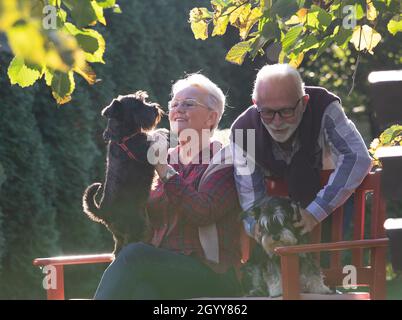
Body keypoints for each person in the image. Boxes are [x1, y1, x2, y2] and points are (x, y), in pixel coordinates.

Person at [94, 74, 242, 299]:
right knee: (140, 293)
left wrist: (162, 168)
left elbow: (203, 212)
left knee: (134, 255)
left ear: (212, 118)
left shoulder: (224, 159)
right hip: (161, 269)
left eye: (189, 104)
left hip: (211, 272)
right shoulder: (160, 156)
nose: (178, 109)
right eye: (175, 104)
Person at [230, 64, 372, 242]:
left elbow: (357, 157)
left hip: (332, 207)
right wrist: (255, 224)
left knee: (329, 259)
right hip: (279, 223)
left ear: (304, 102)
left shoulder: (323, 105)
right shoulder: (244, 132)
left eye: (286, 111)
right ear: (255, 104)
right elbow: (250, 194)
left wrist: (316, 211)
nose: (277, 122)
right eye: (267, 112)